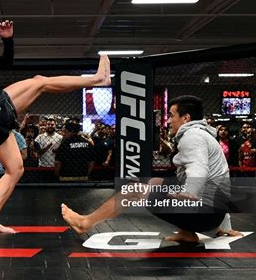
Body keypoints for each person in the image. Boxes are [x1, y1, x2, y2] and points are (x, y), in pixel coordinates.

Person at [0, 9, 111, 233]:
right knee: (40, 82)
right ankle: (97, 79)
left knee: (15, 169)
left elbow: (6, 62)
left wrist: (8, 40)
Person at [62, 95, 241, 242]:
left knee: (133, 190)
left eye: (171, 115)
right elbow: (218, 180)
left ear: (186, 118)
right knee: (156, 182)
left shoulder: (192, 136)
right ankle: (187, 233)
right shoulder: (201, 134)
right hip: (213, 212)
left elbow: (198, 168)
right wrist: (224, 224)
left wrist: (190, 193)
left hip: (204, 213)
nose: (168, 120)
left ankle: (85, 223)